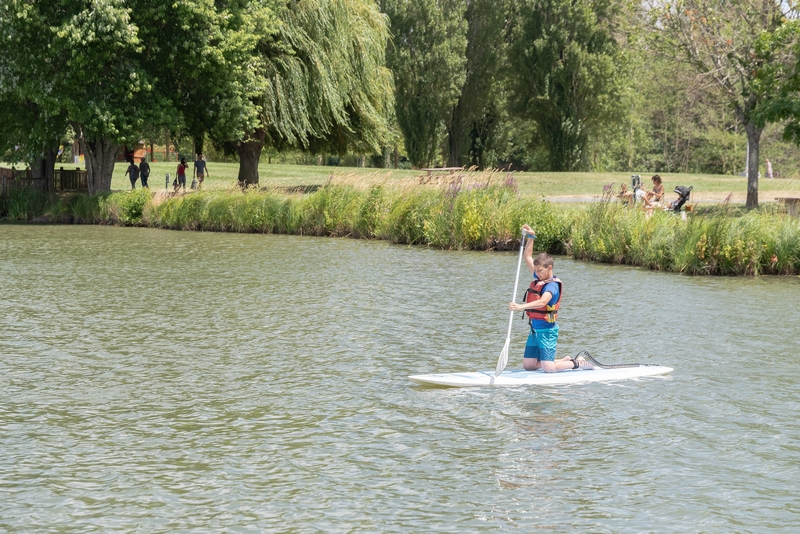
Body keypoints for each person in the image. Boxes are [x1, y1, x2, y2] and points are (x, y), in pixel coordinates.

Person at [509, 224, 593, 372]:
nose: (537, 274)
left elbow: (542, 301)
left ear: (549, 268)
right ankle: (562, 360)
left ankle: (577, 363)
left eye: (540, 271)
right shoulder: (540, 276)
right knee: (528, 366)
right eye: (536, 270)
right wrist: (531, 237)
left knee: (549, 369)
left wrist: (520, 307)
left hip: (547, 331)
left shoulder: (552, 287)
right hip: (534, 330)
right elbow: (527, 256)